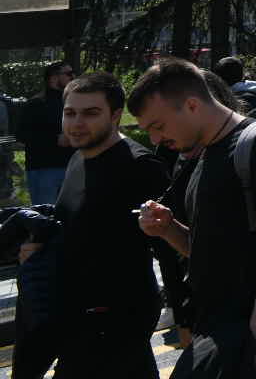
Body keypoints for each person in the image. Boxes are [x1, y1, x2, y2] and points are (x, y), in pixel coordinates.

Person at [133, 58, 256, 379]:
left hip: (252, 336)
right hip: (218, 330)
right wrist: (167, 228)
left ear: (191, 105)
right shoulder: (204, 154)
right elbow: (207, 252)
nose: (155, 141)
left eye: (157, 127)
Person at [21, 73, 170, 378]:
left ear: (116, 116)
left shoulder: (140, 168)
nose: (76, 123)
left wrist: (185, 316)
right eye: (70, 113)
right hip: (77, 314)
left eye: (91, 113)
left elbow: (170, 248)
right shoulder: (80, 157)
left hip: (116, 320)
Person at [20, 61, 74, 204]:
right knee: (45, 216)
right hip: (44, 169)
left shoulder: (71, 102)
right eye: (68, 74)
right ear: (53, 78)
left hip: (71, 166)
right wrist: (54, 139)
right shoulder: (35, 104)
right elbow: (22, 134)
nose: (72, 77)